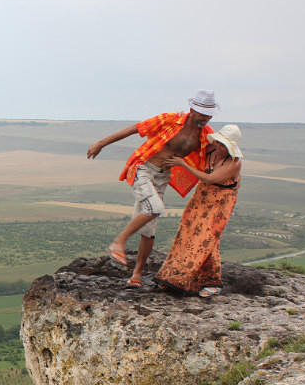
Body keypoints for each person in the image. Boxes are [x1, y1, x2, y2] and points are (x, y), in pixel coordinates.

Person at [86, 90, 220, 287]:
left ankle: (137, 276)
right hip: (144, 169)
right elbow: (135, 129)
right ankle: (118, 243)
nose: (206, 118)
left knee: (149, 230)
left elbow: (217, 153)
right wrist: (101, 143)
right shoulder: (169, 120)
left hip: (162, 177)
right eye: (202, 114)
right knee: (154, 208)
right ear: (192, 109)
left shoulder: (206, 134)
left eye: (209, 115)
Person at [154, 124, 243, 297]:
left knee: (207, 239)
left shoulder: (234, 163)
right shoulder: (210, 150)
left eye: (223, 146)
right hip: (201, 198)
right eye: (218, 143)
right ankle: (174, 276)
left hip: (220, 203)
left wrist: (182, 164)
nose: (218, 147)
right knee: (187, 234)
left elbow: (209, 178)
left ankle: (211, 282)